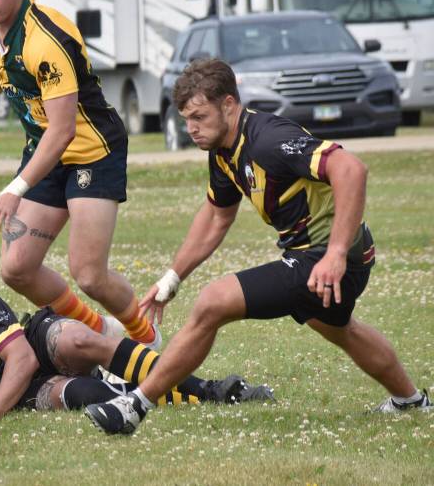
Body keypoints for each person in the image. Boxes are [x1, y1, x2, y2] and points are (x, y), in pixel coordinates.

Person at [86, 58, 431, 435]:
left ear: (229, 105)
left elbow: (351, 169)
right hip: (313, 258)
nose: (192, 129)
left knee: (212, 302)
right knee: (339, 328)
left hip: (330, 256)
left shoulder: (269, 140)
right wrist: (171, 278)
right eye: (187, 119)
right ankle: (410, 401)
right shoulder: (222, 150)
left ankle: (134, 407)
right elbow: (217, 217)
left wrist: (334, 254)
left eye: (199, 117)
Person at [0, 0, 158, 349]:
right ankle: (101, 331)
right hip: (46, 151)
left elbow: (64, 130)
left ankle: (146, 339)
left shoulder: (45, 40)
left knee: (89, 274)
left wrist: (15, 188)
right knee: (16, 268)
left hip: (92, 151)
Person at [0, 264, 272, 422]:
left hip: (26, 351)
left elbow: (20, 357)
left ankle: (210, 390)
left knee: (76, 338)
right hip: (16, 394)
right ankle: (170, 400)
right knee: (84, 396)